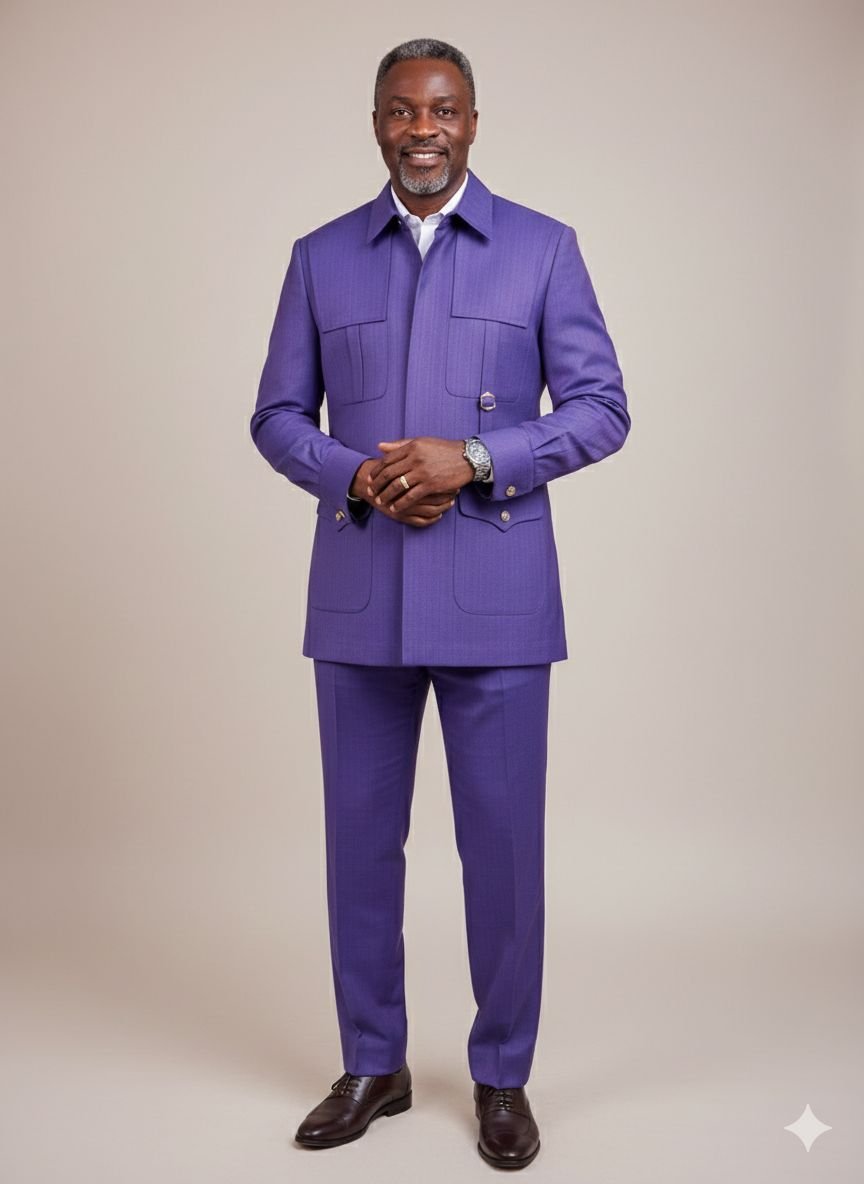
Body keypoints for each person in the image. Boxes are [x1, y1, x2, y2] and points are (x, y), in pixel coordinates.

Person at [249, 36, 630, 1170]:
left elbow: (603, 407)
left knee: (502, 853)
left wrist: (475, 457)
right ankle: (374, 1063)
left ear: (473, 120)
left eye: (444, 109)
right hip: (361, 596)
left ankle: (502, 1073)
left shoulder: (544, 249)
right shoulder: (320, 257)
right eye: (403, 110)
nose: (424, 128)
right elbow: (276, 416)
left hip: (498, 598)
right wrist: (356, 475)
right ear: (378, 122)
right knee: (360, 850)